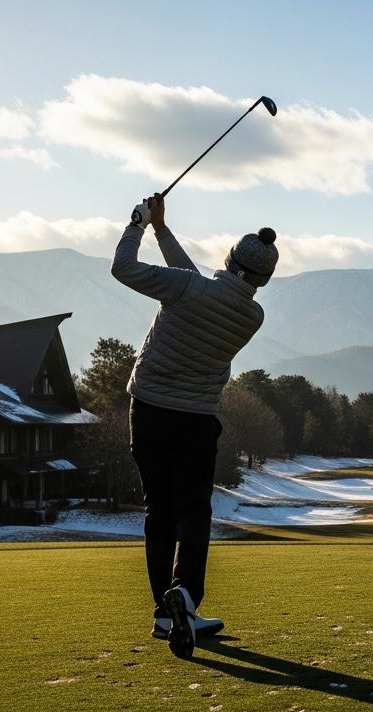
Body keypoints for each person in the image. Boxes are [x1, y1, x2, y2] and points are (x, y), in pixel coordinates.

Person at [111, 193, 277, 659]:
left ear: (228, 258)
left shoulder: (189, 289)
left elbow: (124, 268)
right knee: (194, 513)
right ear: (263, 278)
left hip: (148, 410)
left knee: (158, 511)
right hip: (197, 420)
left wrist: (138, 224)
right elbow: (191, 282)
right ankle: (184, 596)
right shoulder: (252, 315)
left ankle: (165, 614)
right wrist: (163, 229)